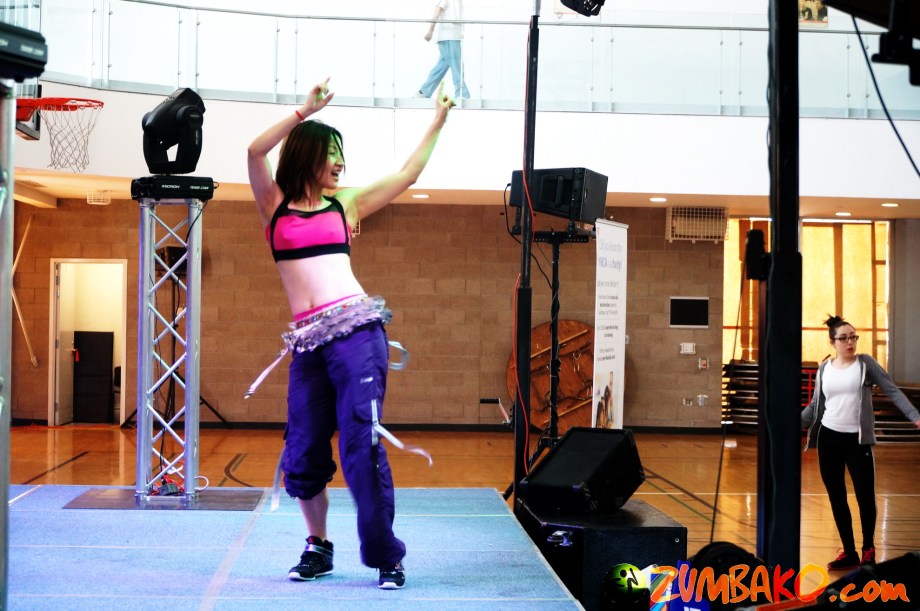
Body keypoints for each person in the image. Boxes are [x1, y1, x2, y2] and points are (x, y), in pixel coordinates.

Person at [247, 77, 454, 590]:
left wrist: (438, 120)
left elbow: (408, 173)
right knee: (303, 449)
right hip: (308, 343)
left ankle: (385, 555)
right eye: (332, 154)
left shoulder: (346, 205)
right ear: (308, 155)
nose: (340, 163)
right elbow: (254, 151)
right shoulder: (274, 206)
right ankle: (318, 546)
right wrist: (303, 112)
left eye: (342, 155)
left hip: (357, 333)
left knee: (361, 442)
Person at [801, 315, 920, 571]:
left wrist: (915, 416)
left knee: (865, 496)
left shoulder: (865, 365)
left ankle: (868, 549)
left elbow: (892, 390)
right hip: (829, 439)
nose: (850, 342)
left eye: (853, 337)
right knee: (837, 497)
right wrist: (790, 423)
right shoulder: (824, 369)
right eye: (843, 338)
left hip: (857, 440)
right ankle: (849, 552)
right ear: (832, 342)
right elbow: (816, 405)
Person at [413, 0, 470, 100]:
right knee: (457, 66)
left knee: (441, 68)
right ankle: (461, 93)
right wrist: (430, 31)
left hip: (452, 37)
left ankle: (424, 92)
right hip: (449, 37)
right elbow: (438, 10)